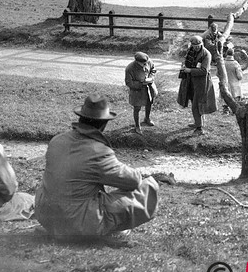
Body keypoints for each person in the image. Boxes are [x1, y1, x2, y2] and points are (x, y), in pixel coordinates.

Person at [35, 94, 165, 247]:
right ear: (103, 124)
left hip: (47, 216)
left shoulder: (57, 140)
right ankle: (103, 231)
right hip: (75, 223)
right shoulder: (98, 151)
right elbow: (133, 181)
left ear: (81, 118)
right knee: (146, 190)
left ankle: (71, 229)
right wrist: (147, 177)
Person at [177, 35, 218, 135]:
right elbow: (187, 61)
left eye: (198, 46)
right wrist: (184, 66)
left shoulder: (206, 54)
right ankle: (198, 122)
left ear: (202, 44)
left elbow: (204, 71)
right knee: (192, 100)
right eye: (194, 46)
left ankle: (199, 128)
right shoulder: (190, 51)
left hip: (201, 83)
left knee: (197, 105)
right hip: (190, 81)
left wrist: (189, 70)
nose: (196, 48)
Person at [124, 51, 158, 134]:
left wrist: (151, 78)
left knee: (149, 103)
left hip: (149, 88)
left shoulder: (148, 61)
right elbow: (129, 83)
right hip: (137, 91)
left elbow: (153, 70)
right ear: (137, 62)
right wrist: (141, 83)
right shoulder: (130, 68)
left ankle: (147, 118)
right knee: (137, 108)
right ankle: (137, 125)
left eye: (146, 63)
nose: (145, 65)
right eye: (143, 64)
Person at [221, 47, 244, 114]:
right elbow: (239, 77)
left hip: (225, 84)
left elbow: (218, 74)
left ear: (226, 54)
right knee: (235, 99)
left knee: (226, 98)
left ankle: (225, 110)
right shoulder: (235, 64)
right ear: (233, 54)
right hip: (234, 85)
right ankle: (234, 111)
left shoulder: (222, 63)